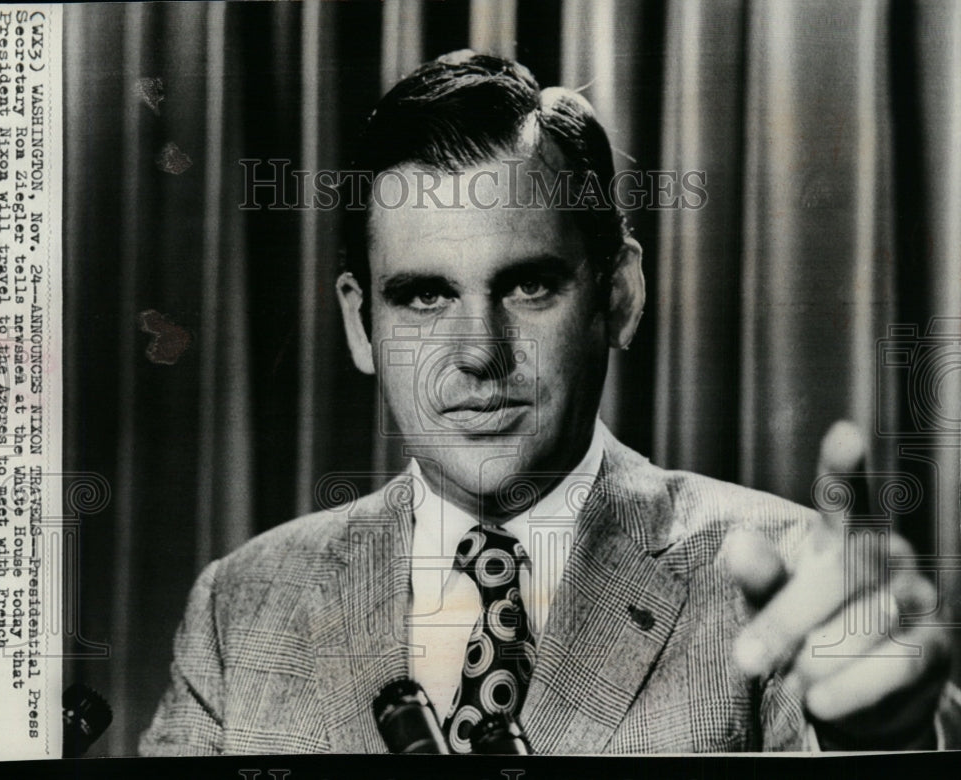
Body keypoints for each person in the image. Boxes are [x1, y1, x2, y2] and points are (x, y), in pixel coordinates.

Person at [140, 51, 959, 755]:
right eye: (423, 297)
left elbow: (870, 724)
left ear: (620, 295)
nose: (477, 353)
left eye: (528, 284)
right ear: (360, 323)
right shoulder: (239, 607)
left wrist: (883, 747)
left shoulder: (788, 583)